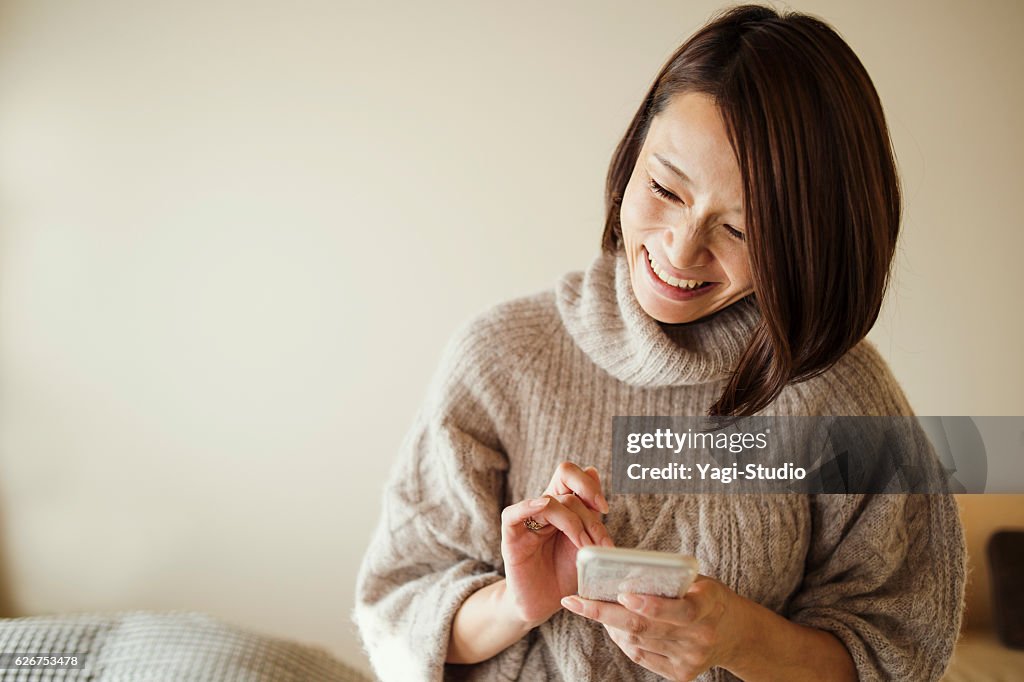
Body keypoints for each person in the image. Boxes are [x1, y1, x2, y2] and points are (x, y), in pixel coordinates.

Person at [354, 5, 966, 681]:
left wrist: (740, 639)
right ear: (632, 153)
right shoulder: (501, 357)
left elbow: (898, 654)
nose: (681, 249)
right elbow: (398, 609)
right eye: (663, 188)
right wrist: (519, 602)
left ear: (807, 244)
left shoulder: (844, 402)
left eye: (741, 230)